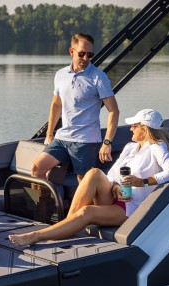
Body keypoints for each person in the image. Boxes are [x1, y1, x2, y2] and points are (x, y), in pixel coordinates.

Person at [9, 109, 169, 246]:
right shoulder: (130, 147)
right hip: (116, 196)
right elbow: (113, 172)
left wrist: (142, 182)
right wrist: (114, 187)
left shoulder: (157, 148)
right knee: (94, 173)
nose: (130, 128)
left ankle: (35, 236)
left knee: (86, 212)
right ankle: (66, 225)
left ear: (144, 129)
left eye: (134, 126)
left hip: (131, 208)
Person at [32, 32, 120, 183]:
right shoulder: (60, 75)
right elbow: (56, 104)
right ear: (71, 51)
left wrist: (107, 142)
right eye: (82, 54)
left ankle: (83, 208)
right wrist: (49, 133)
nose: (86, 58)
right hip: (62, 137)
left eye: (90, 54)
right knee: (37, 169)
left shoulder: (98, 77)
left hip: (86, 140)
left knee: (83, 182)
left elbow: (113, 111)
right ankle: (46, 206)